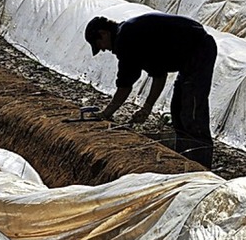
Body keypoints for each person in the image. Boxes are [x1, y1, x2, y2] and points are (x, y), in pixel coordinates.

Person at [84, 12, 218, 168]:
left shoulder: (126, 38)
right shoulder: (130, 34)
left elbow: (125, 85)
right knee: (178, 109)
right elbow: (159, 76)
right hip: (189, 56)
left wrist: (106, 114)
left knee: (192, 110)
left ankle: (201, 166)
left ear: (103, 33)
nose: (104, 50)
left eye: (99, 44)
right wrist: (146, 108)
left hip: (199, 50)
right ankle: (187, 160)